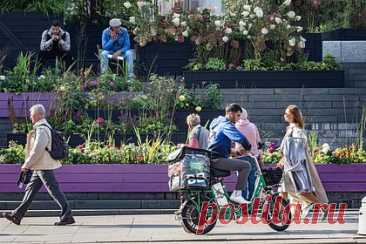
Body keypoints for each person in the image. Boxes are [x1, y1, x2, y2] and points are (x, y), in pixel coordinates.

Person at [2, 104, 75, 226]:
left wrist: (26, 164)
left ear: (38, 115)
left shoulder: (42, 129)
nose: (30, 117)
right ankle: (17, 215)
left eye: (32, 115)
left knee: (54, 190)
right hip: (40, 165)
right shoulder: (42, 127)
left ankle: (67, 215)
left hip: (43, 165)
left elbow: (37, 150)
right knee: (30, 190)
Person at [277, 105, 328, 219]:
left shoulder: (297, 131)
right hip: (289, 166)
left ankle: (323, 207)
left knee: (302, 191)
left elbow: (296, 150)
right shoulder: (291, 128)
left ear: (293, 115)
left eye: (287, 114)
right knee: (283, 190)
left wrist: (285, 159)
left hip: (295, 167)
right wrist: (283, 159)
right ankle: (281, 215)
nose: (284, 115)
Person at [208, 103, 252, 204]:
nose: (239, 119)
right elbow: (240, 137)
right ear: (230, 113)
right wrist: (248, 147)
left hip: (211, 157)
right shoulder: (225, 124)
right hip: (217, 159)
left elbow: (217, 142)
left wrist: (234, 152)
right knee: (246, 166)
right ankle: (237, 194)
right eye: (238, 115)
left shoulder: (216, 122)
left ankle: (226, 204)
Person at [235, 108, 263, 200]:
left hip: (240, 156)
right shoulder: (252, 126)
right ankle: (253, 201)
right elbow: (258, 142)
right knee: (252, 180)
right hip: (252, 156)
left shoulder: (235, 126)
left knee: (242, 180)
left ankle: (243, 202)